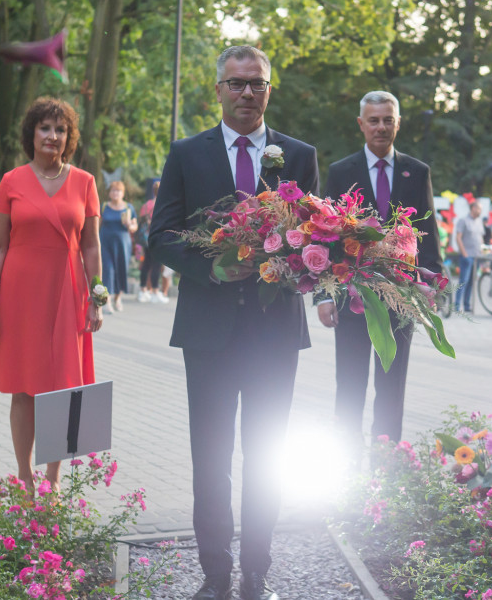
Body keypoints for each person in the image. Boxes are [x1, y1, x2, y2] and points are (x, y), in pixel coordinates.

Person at [149, 45, 319, 600]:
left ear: (270, 90)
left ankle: (256, 574)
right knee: (212, 456)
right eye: (236, 83)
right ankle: (215, 574)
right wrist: (216, 268)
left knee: (268, 456)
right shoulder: (186, 153)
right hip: (209, 332)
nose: (247, 92)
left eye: (257, 84)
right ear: (218, 89)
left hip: (274, 333)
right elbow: (164, 236)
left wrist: (299, 264)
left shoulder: (298, 154)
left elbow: (315, 232)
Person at [0, 97, 103, 495]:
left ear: (69, 137)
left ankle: (53, 477)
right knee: (24, 386)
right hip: (20, 293)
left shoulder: (85, 182)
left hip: (68, 289)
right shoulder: (11, 182)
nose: (53, 136)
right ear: (32, 133)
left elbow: (91, 247)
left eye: (60, 129)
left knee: (64, 386)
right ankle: (23, 476)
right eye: (45, 128)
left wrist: (96, 299)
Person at [318, 90, 442, 451]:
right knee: (350, 386)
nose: (381, 127)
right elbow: (326, 236)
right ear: (361, 124)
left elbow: (428, 233)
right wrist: (324, 296)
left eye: (388, 119)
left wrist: (430, 283)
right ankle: (346, 468)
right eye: (373, 120)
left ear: (398, 123)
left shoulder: (417, 172)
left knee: (391, 388)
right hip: (351, 297)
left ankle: (387, 470)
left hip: (400, 298)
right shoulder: (341, 172)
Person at [99, 180, 138, 313]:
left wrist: (129, 224)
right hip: (105, 242)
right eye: (113, 190)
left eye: (118, 191)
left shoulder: (129, 208)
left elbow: (134, 227)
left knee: (121, 269)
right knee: (108, 270)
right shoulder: (104, 206)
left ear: (123, 193)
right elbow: (97, 224)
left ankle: (117, 298)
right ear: (109, 193)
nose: (115, 193)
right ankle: (107, 301)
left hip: (122, 244)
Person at [137, 180, 167, 304]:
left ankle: (142, 290)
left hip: (146, 238)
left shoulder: (146, 205)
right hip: (158, 237)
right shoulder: (162, 205)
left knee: (146, 264)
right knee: (156, 265)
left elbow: (141, 221)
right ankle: (155, 291)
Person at [452, 201, 483, 313]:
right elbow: (458, 237)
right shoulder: (464, 221)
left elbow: (480, 237)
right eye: (479, 208)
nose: (480, 211)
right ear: (473, 208)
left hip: (477, 256)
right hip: (467, 255)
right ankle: (456, 305)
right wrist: (464, 253)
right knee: (463, 281)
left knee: (471, 282)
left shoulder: (479, 221)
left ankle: (466, 305)